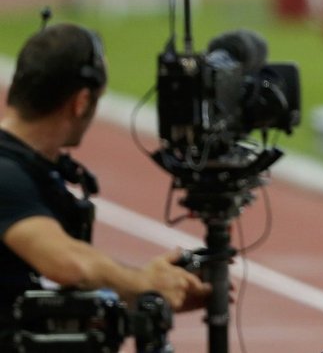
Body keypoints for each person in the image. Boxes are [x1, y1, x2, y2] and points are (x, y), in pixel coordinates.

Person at [0, 23, 210, 345]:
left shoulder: (35, 170)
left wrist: (147, 288)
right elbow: (67, 265)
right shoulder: (6, 174)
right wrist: (143, 282)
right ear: (81, 102)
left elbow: (42, 291)